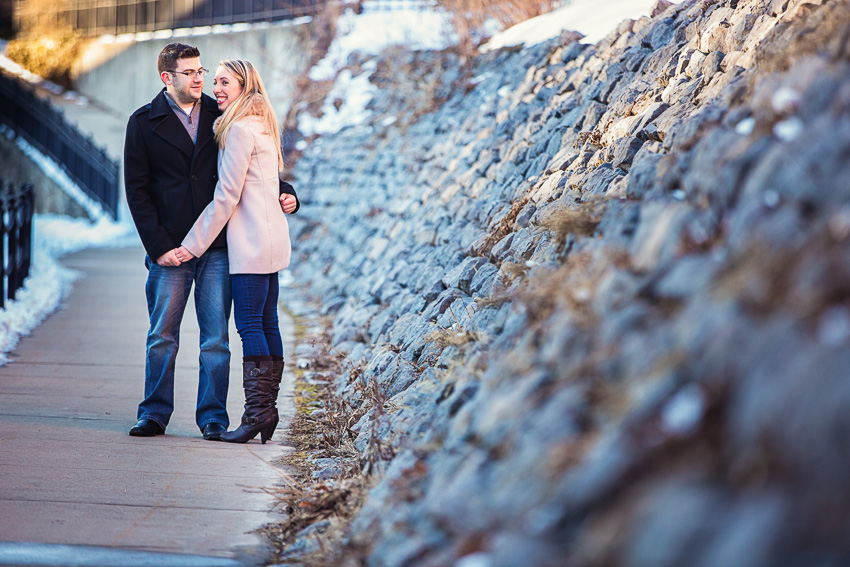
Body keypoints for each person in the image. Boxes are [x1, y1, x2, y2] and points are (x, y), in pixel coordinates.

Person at [124, 44, 299, 441]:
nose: (200, 78)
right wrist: (159, 246)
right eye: (189, 72)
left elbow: (253, 168)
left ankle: (213, 417)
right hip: (170, 248)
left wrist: (286, 191)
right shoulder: (142, 123)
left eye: (201, 70)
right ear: (167, 78)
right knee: (161, 336)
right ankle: (153, 413)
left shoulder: (223, 113)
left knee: (216, 339)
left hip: (218, 245)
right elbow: (137, 191)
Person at [175, 59, 291, 444]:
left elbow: (226, 196)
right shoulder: (263, 124)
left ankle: (258, 413)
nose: (216, 88)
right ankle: (266, 413)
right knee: (268, 322)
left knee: (250, 326)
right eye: (215, 81)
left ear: (244, 85)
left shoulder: (239, 130)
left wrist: (191, 246)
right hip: (271, 241)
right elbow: (271, 184)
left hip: (252, 244)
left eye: (225, 82)